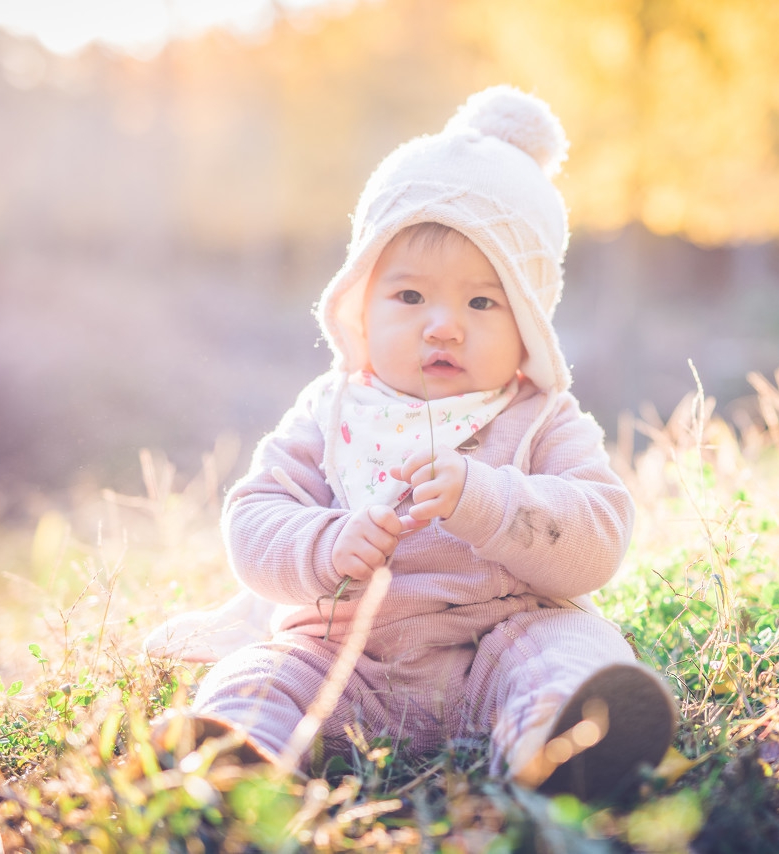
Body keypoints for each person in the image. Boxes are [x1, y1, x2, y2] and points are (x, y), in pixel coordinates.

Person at [144, 86, 677, 801]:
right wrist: (325, 544)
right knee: (262, 673)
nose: (443, 326)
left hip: (497, 643)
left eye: (482, 301)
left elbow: (600, 534)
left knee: (572, 650)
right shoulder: (330, 411)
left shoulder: (542, 417)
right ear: (361, 304)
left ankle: (563, 743)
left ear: (527, 321)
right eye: (410, 297)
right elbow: (253, 518)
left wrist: (488, 501)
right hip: (340, 655)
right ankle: (236, 757)